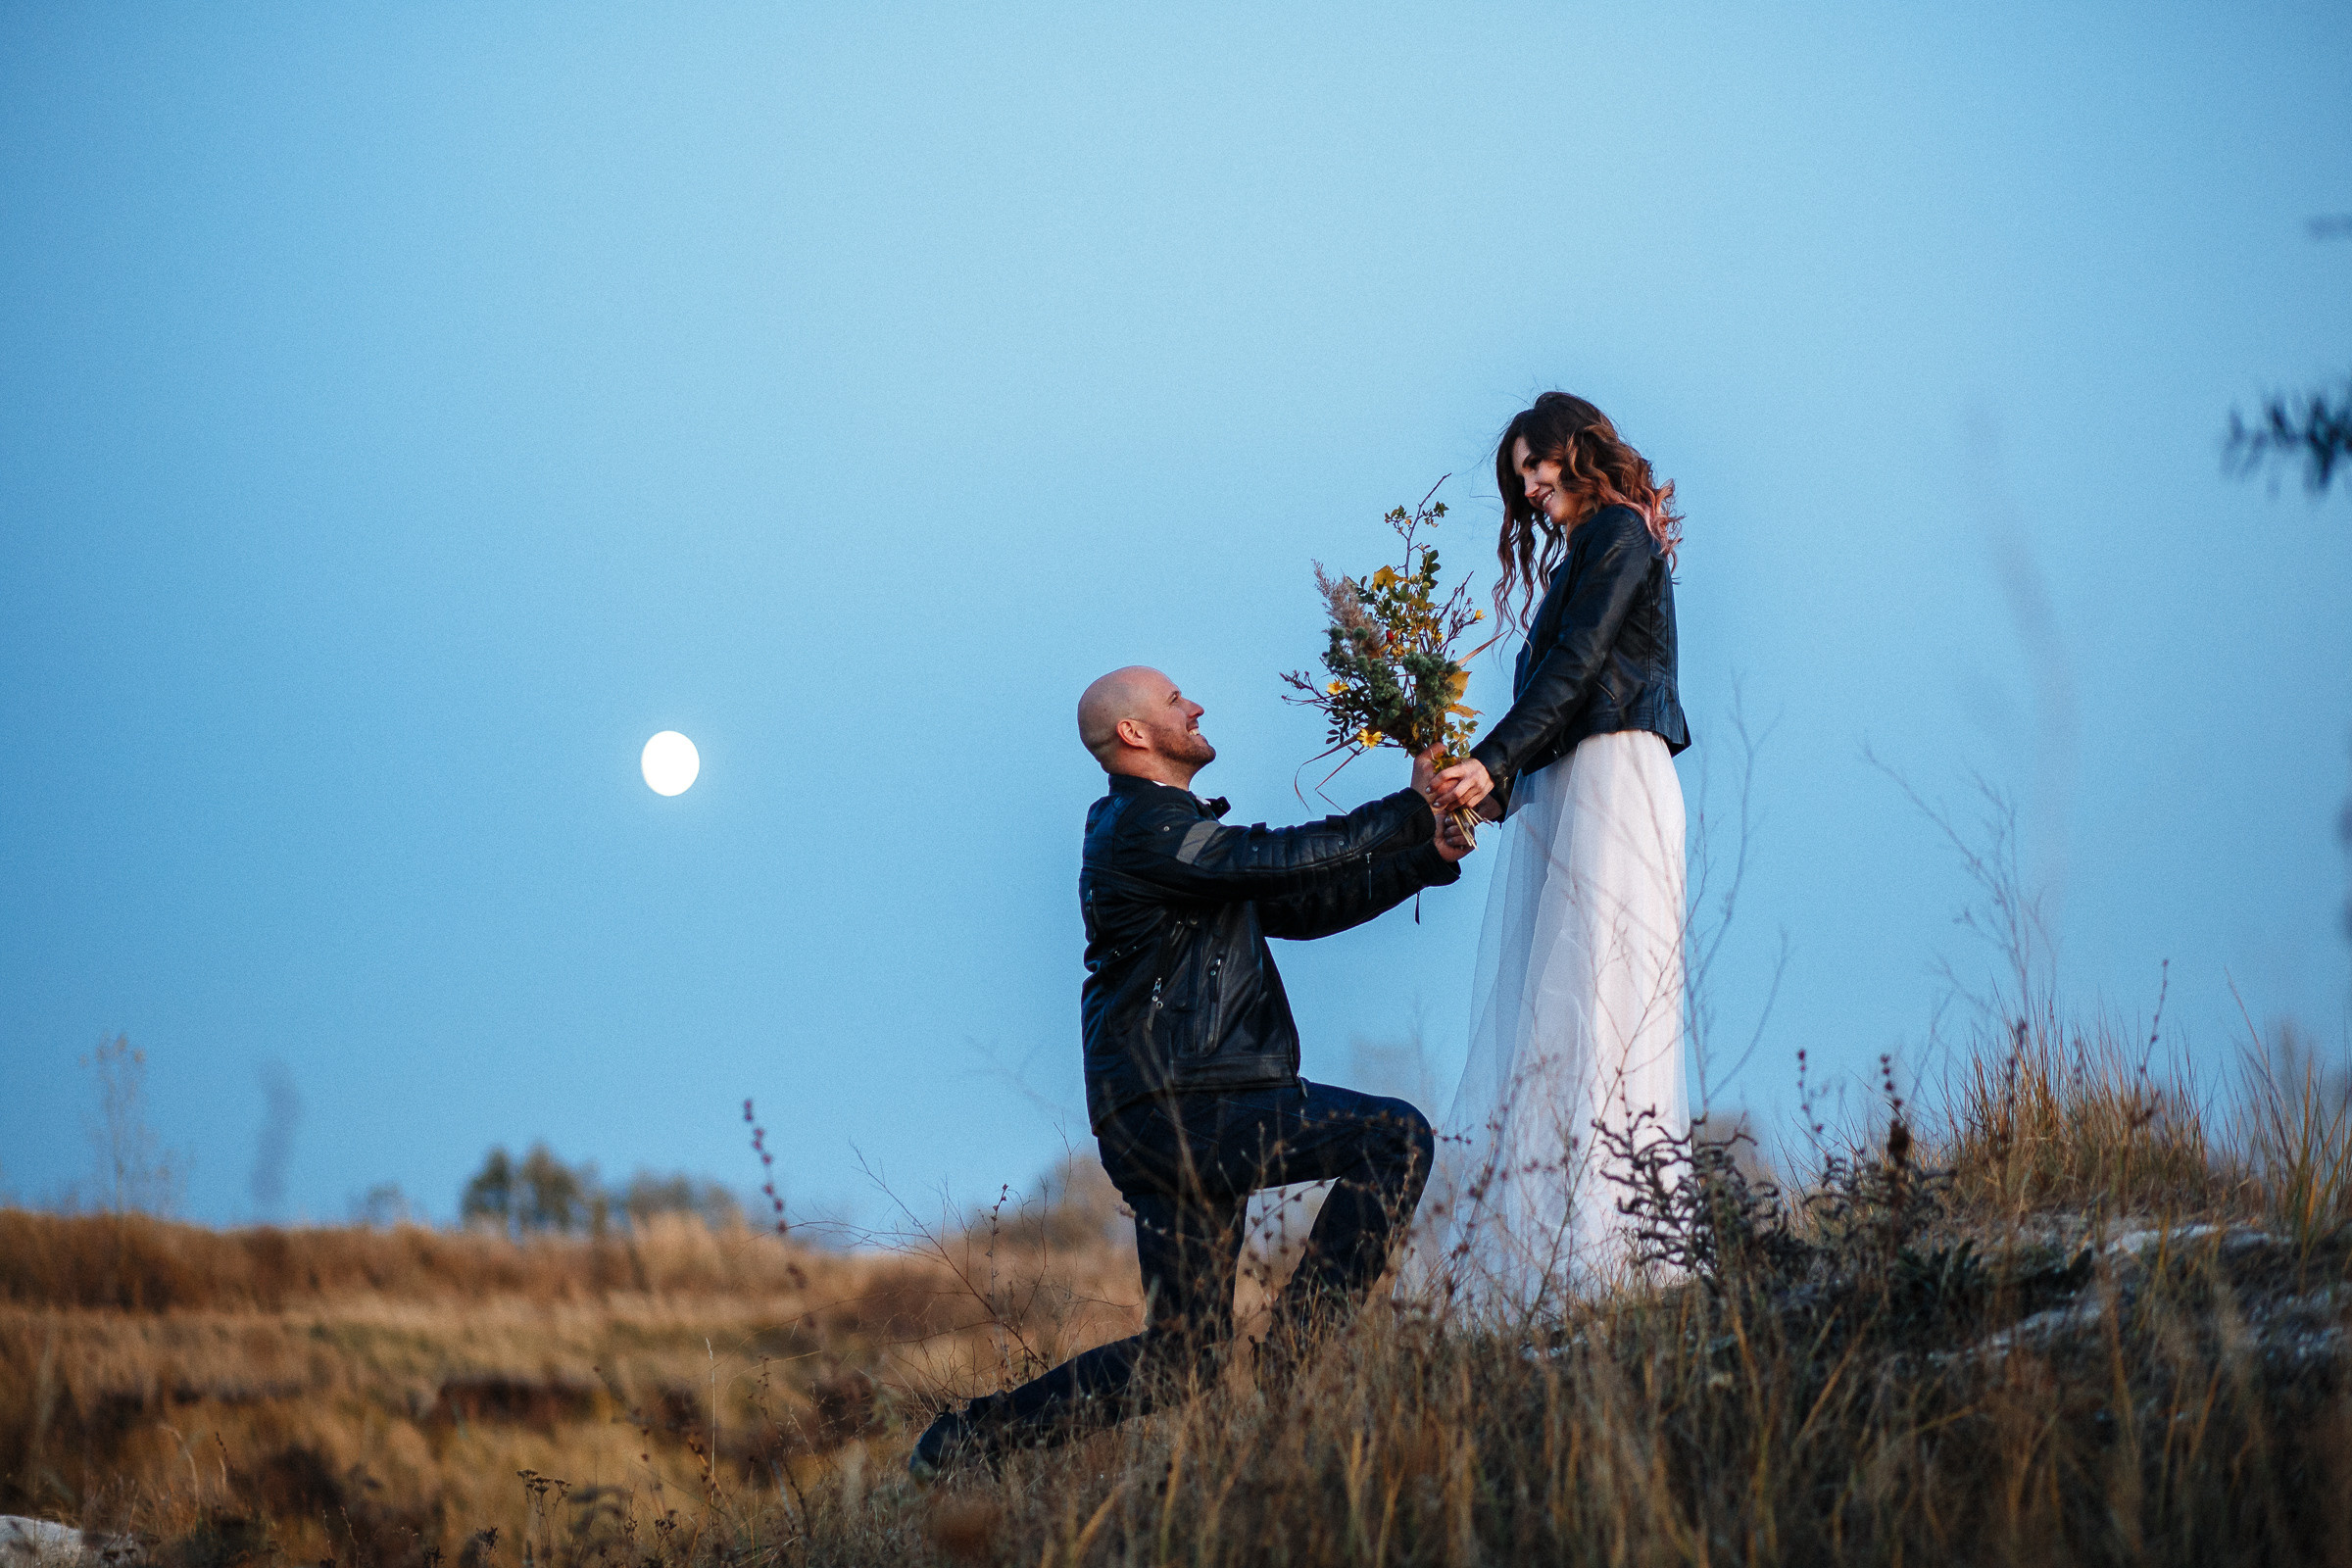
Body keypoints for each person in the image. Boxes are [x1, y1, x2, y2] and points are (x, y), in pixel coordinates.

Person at [909, 666, 1471, 1477]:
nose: (1197, 704)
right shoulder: (1142, 828)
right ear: (1134, 735)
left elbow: (1300, 905)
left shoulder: (1180, 840)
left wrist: (1423, 856)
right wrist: (1411, 809)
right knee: (1395, 1139)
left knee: (1185, 1360)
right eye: (1175, 701)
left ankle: (963, 1444)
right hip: (1189, 1107)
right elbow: (1277, 859)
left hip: (1168, 1114)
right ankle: (1296, 1362)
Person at [1419, 392, 1691, 1311]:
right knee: (1557, 1008)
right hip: (1573, 779)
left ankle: (1613, 1253)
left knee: (1602, 1002)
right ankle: (1557, 1258)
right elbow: (1562, 690)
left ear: (1578, 450)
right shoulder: (1591, 547)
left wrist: (1491, 764)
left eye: (1536, 467)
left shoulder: (1619, 534)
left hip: (1614, 774)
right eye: (1521, 478)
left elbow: (1579, 672)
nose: (1531, 489)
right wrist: (1485, 787)